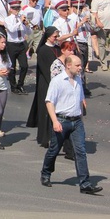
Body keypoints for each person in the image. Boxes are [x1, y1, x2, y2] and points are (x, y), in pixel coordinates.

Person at [40, 55, 102, 195]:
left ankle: (85, 184)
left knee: (80, 151)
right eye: (78, 65)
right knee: (54, 150)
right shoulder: (57, 81)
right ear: (68, 65)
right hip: (61, 120)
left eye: (81, 65)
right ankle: (46, 173)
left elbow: (80, 99)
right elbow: (49, 102)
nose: (80, 68)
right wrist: (55, 121)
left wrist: (80, 116)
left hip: (77, 122)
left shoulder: (79, 79)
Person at [5, 0, 31, 94]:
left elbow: (28, 32)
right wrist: (20, 22)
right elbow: (11, 30)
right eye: (14, 8)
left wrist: (27, 25)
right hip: (12, 44)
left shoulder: (21, 19)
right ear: (11, 9)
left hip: (21, 44)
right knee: (12, 67)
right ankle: (13, 86)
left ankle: (20, 85)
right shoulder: (8, 19)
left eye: (18, 8)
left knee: (24, 66)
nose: (16, 10)